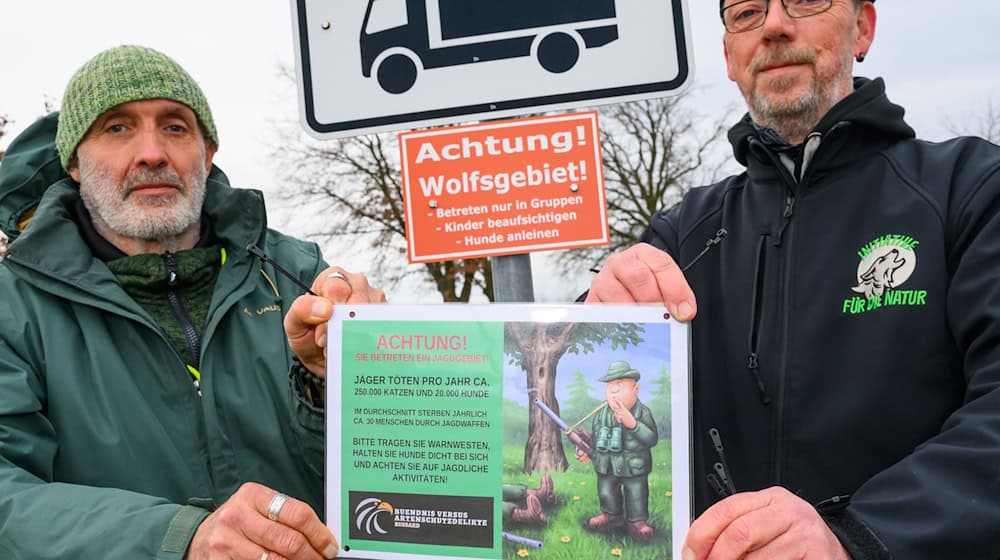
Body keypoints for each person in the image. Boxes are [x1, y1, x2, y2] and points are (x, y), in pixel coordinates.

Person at [586, 0, 1000, 558]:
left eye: (805, 1)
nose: (775, 26)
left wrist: (859, 536)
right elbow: (582, 378)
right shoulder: (682, 234)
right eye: (747, 12)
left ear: (864, 28)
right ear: (730, 58)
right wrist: (597, 306)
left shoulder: (970, 191)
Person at [0, 45, 385, 559]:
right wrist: (180, 541)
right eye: (117, 128)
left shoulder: (300, 279)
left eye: (176, 127)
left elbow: (386, 483)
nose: (153, 152)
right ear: (73, 160)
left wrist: (333, 384)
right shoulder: (14, 306)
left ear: (208, 151)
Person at [575, 361, 658, 541]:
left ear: (635, 389)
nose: (613, 391)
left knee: (636, 492)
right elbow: (597, 439)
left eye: (619, 386)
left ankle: (637, 522)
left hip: (633, 467)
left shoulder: (642, 413)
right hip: (607, 465)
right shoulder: (600, 415)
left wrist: (633, 424)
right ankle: (611, 515)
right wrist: (585, 450)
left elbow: (651, 439)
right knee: (606, 490)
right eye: (610, 386)